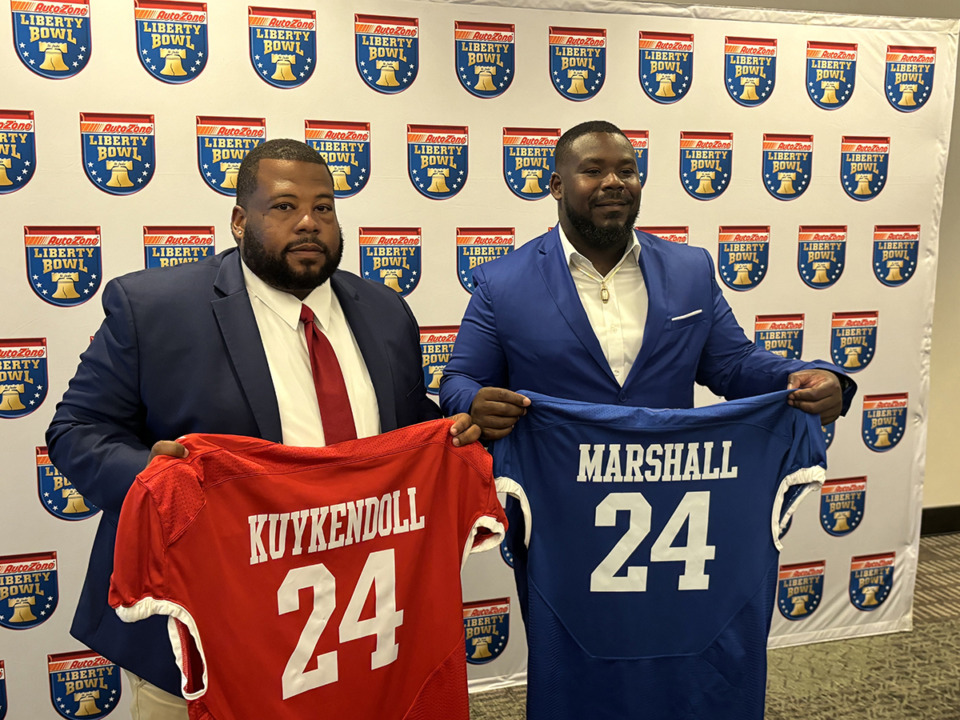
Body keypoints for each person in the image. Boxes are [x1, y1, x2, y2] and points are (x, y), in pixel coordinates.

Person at [46, 139, 479, 718]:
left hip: (358, 635)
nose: (308, 222)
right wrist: (156, 480)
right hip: (207, 636)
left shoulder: (384, 310)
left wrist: (455, 433)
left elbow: (407, 428)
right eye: (283, 207)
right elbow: (77, 429)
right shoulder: (153, 307)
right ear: (238, 220)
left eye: (324, 207)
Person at [439, 119, 855, 437]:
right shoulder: (502, 282)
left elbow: (732, 364)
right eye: (593, 171)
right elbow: (461, 379)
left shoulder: (690, 269)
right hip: (552, 495)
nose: (614, 182)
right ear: (557, 186)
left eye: (627, 170)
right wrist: (473, 401)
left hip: (671, 490)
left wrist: (809, 378)